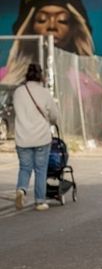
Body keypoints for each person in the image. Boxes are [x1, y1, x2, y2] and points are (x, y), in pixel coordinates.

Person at [1, 0, 94, 85]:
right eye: (42, 19)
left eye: (62, 20)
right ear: (29, 28)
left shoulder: (86, 85)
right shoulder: (5, 80)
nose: (52, 26)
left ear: (74, 29)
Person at [13, 62, 58, 211]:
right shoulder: (44, 92)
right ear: (40, 76)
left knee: (25, 168)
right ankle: (40, 201)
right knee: (40, 169)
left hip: (22, 137)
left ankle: (22, 189)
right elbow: (54, 115)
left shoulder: (18, 92)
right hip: (41, 137)